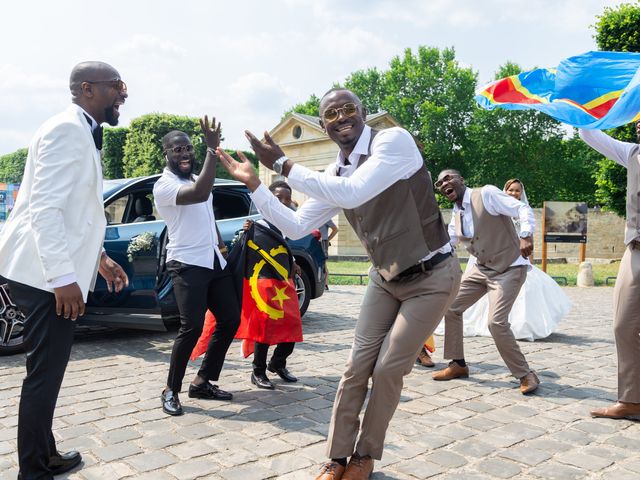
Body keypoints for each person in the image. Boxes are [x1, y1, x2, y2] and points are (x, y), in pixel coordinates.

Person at [217, 88, 461, 480]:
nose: (341, 117)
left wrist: (282, 163)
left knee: (386, 369)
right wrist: (255, 186)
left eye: (348, 109)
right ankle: (336, 458)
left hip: (432, 275)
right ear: (324, 123)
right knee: (354, 368)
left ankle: (364, 457)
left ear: (362, 113)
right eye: (331, 113)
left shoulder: (392, 143)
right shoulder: (334, 172)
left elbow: (356, 191)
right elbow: (297, 225)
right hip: (385, 278)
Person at [0, 61, 129, 480]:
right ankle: (33, 471)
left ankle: (46, 453)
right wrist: (62, 278)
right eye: (117, 86)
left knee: (48, 371)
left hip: (46, 270)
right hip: (40, 274)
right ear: (87, 89)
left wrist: (99, 260)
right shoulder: (67, 129)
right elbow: (45, 209)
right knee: (44, 373)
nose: (124, 94)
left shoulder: (80, 131)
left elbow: (77, 214)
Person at [153, 120, 240, 417]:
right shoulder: (164, 185)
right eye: (177, 149)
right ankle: (171, 389)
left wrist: (221, 246)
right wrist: (212, 151)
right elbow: (200, 194)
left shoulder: (197, 176)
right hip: (186, 263)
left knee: (230, 319)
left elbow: (206, 211)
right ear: (165, 154)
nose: (184, 153)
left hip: (213, 259)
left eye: (188, 147)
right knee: (191, 327)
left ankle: (203, 381)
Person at [432, 169, 540, 395]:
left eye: (448, 178)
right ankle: (457, 364)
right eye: (439, 183)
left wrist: (526, 234)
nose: (443, 184)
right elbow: (448, 243)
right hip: (481, 269)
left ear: (461, 180)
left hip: (509, 268)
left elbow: (521, 208)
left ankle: (525, 374)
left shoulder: (487, 194)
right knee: (451, 307)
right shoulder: (457, 214)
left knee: (496, 323)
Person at [434, 178, 572, 341]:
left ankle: (517, 327)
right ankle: (461, 356)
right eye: (510, 190)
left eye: (517, 190)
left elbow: (528, 239)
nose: (513, 193)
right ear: (504, 191)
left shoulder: (521, 211)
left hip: (514, 262)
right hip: (488, 259)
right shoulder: (493, 206)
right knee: (464, 301)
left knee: (521, 297)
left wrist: (528, 256)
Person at [578, 124, 640, 420]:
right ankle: (631, 400)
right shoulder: (632, 153)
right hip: (636, 250)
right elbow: (589, 134)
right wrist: (583, 104)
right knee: (623, 325)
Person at [244, 180, 301, 390]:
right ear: (268, 200)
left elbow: (280, 250)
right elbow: (248, 254)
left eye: (287, 199)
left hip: (283, 283)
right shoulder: (258, 225)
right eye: (278, 199)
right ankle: (257, 371)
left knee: (292, 324)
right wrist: (246, 233)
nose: (283, 203)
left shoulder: (286, 225)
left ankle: (277, 363)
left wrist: (293, 262)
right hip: (263, 283)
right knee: (265, 328)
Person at [319, 219, 338, 290]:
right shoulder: (315, 216)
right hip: (314, 241)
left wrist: (328, 239)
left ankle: (325, 284)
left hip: (323, 242)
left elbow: (335, 229)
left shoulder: (326, 217)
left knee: (323, 263)